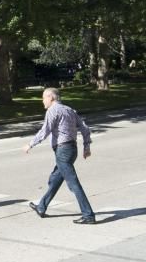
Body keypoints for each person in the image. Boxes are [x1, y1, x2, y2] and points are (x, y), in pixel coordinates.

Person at [23, 87, 96, 224]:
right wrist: (86, 146)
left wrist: (31, 144)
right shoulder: (69, 110)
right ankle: (41, 207)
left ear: (51, 97)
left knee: (74, 184)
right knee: (55, 180)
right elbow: (85, 128)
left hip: (63, 151)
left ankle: (88, 215)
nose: (42, 101)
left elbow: (45, 130)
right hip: (71, 149)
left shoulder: (53, 110)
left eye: (44, 97)